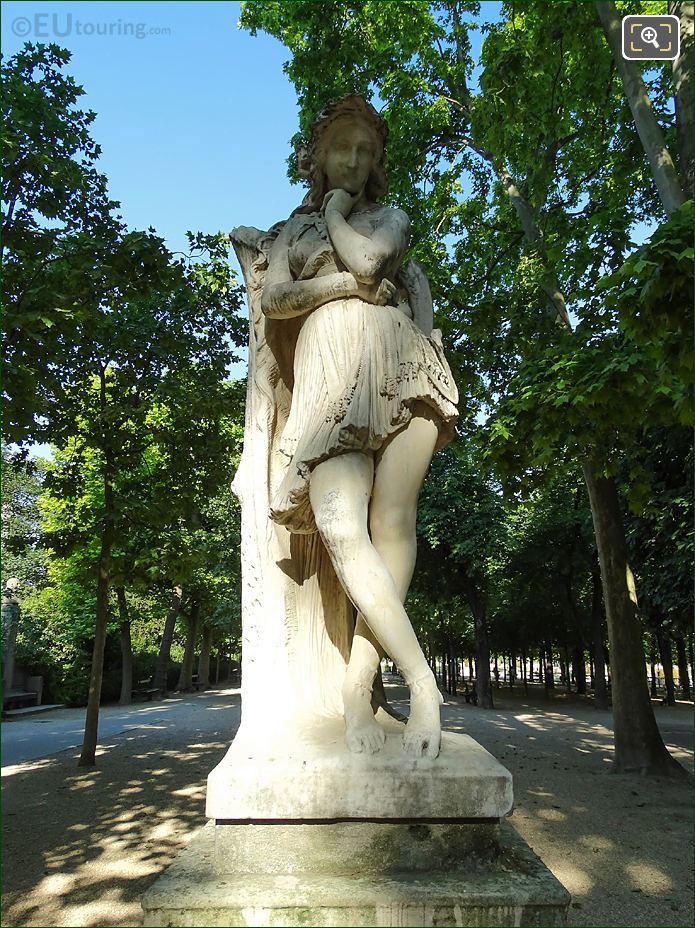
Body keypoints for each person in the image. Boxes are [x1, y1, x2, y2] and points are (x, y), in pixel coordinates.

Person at [260, 94, 458, 759]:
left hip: (402, 372)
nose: (353, 160)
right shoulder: (290, 233)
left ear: (375, 165)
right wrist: (339, 290)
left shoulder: (388, 218)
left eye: (365, 151)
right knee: (342, 529)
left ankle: (361, 695)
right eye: (341, 148)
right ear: (317, 157)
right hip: (330, 382)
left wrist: (340, 216)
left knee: (392, 526)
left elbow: (372, 263)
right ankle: (420, 678)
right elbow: (276, 298)